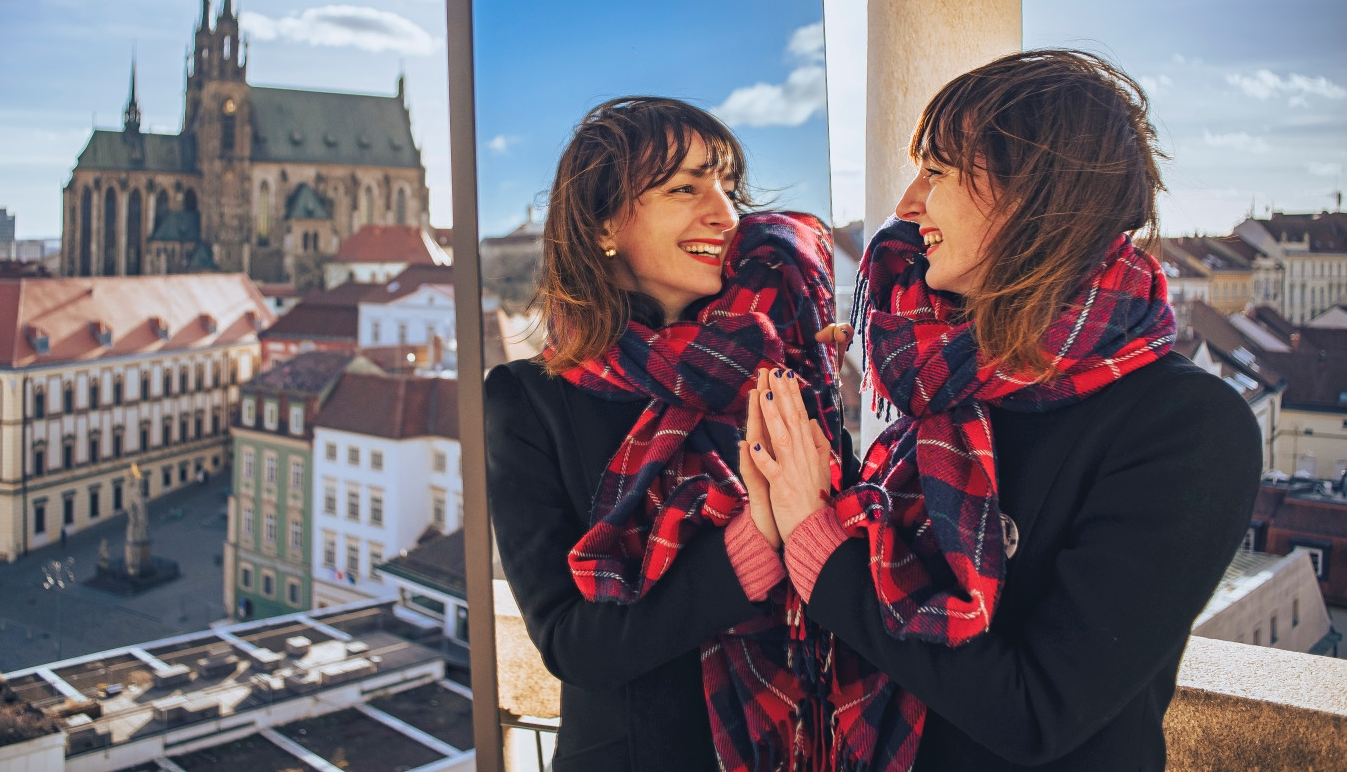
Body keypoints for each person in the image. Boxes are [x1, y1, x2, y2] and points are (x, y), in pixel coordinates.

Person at [746, 49, 1261, 772]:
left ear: (1031, 196)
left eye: (939, 171)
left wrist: (816, 539)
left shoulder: (1187, 425)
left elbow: (1035, 712)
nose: (905, 204)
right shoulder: (947, 385)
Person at [484, 97, 845, 771]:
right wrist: (750, 542)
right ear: (600, 227)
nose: (725, 213)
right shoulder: (527, 398)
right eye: (685, 188)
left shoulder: (779, 370)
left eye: (727, 185)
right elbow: (574, 643)